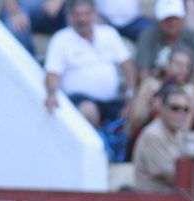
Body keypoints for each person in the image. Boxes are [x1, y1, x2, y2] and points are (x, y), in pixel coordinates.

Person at [43, 0, 136, 129]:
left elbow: (127, 65)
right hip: (80, 101)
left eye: (86, 14)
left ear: (94, 14)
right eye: (77, 14)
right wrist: (52, 94)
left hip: (111, 100)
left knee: (134, 113)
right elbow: (52, 73)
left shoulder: (108, 33)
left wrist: (130, 95)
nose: (82, 19)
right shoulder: (60, 39)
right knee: (89, 111)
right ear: (69, 16)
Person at [134, 0, 194, 102]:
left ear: (183, 18)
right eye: (166, 18)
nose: (171, 22)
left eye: (175, 18)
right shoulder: (147, 36)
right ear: (158, 20)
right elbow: (143, 73)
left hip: (185, 92)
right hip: (155, 91)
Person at [133, 82, 194, 191]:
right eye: (175, 108)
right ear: (162, 107)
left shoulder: (178, 134)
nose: (181, 113)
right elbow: (173, 177)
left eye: (186, 109)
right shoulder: (153, 135)